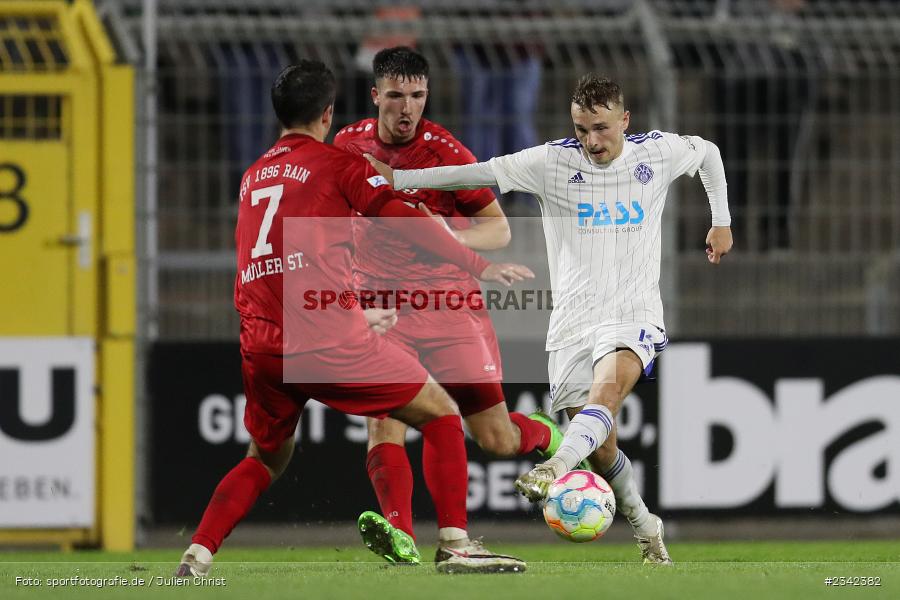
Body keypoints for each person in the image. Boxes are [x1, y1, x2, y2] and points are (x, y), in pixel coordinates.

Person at [175, 59, 533, 577]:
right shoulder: (340, 163)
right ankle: (455, 544)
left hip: (261, 345)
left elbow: (281, 260)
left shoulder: (253, 176)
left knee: (265, 458)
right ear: (329, 114)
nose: (405, 107)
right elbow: (407, 223)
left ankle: (197, 554)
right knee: (439, 414)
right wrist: (478, 265)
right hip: (326, 339)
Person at [364, 74, 734, 565]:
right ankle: (646, 525)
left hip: (633, 313)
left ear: (625, 120)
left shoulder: (657, 153)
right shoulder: (551, 161)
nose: (592, 141)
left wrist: (721, 220)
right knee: (601, 449)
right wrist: (400, 180)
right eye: (582, 129)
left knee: (607, 393)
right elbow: (478, 173)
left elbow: (707, 151)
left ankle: (553, 466)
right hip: (572, 325)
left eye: (601, 128)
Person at [333, 46, 572, 566]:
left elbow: (499, 230)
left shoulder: (449, 156)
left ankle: (540, 432)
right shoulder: (347, 144)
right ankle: (405, 536)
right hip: (382, 308)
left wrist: (445, 228)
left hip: (449, 306)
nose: (406, 108)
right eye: (395, 95)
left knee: (495, 438)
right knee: (384, 419)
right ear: (375, 95)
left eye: (417, 96)